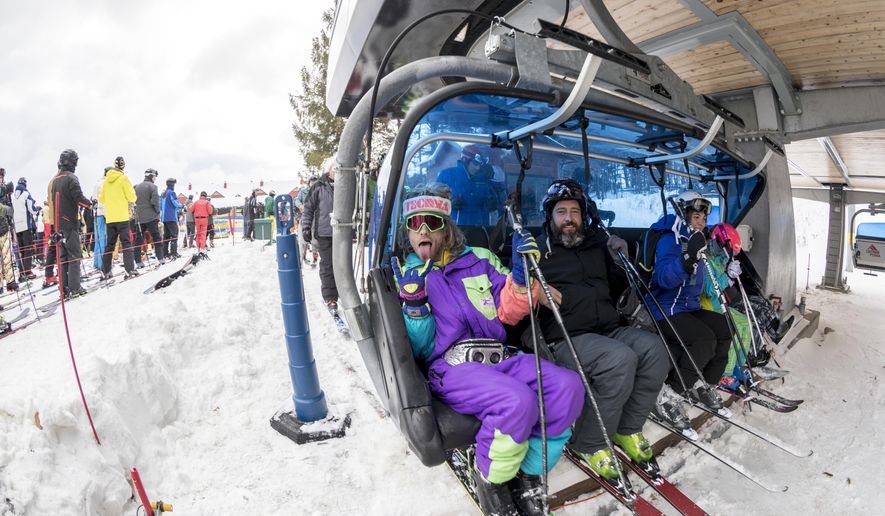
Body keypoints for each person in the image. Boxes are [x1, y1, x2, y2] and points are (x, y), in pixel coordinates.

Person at [393, 183, 583, 516]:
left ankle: (528, 473)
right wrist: (415, 306)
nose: (423, 230)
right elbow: (421, 349)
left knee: (567, 387)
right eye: (415, 223)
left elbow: (508, 311)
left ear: (446, 227)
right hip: (452, 367)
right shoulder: (408, 275)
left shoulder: (479, 260)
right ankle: (491, 480)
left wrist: (523, 282)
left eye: (432, 222)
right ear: (407, 231)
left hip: (499, 355)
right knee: (516, 402)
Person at [534, 179, 670, 478]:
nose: (568, 218)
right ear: (550, 217)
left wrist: (620, 260)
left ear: (583, 216)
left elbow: (623, 290)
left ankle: (626, 428)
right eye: (561, 212)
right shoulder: (535, 250)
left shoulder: (597, 245)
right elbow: (509, 286)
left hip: (608, 328)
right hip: (565, 338)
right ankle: (590, 442)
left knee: (655, 350)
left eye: (574, 211)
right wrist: (531, 284)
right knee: (619, 359)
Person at [646, 190, 732, 417]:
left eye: (704, 219)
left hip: (688, 307)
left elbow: (699, 283)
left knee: (725, 327)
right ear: (684, 215)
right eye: (696, 217)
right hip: (664, 307)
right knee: (704, 338)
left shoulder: (696, 241)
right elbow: (664, 278)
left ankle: (705, 382)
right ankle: (672, 389)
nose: (701, 223)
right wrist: (688, 258)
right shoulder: (670, 239)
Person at [51, 149, 92, 297]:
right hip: (69, 222)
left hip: (58, 224)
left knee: (62, 257)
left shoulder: (55, 179)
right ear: (72, 162)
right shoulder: (71, 178)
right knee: (74, 255)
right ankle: (75, 288)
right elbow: (78, 197)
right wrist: (90, 204)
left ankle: (64, 289)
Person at [435, 145, 505, 225]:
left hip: (481, 231)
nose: (478, 168)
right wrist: (449, 204)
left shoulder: (485, 179)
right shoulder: (447, 175)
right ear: (465, 160)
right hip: (454, 231)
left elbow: (502, 202)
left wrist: (494, 204)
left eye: (480, 164)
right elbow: (433, 202)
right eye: (475, 163)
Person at [301, 159, 338, 311]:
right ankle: (330, 297)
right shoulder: (318, 186)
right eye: (335, 169)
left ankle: (343, 292)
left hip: (342, 232)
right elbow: (308, 208)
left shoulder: (346, 184)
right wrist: (306, 227)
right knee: (328, 264)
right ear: (329, 170)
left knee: (342, 265)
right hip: (324, 232)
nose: (337, 172)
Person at [99, 157, 138, 279]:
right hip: (122, 216)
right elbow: (132, 196)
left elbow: (101, 199)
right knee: (126, 243)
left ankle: (105, 271)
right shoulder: (123, 178)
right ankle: (129, 270)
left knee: (110, 244)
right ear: (123, 167)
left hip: (110, 218)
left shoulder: (106, 181)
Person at [133, 169, 164, 266]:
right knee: (156, 237)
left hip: (139, 217)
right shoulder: (153, 186)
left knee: (138, 239)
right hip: (151, 217)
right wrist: (158, 212)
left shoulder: (136, 187)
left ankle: (138, 261)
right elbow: (155, 202)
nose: (155, 178)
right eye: (155, 176)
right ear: (151, 176)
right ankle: (160, 258)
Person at [12, 177, 40, 281]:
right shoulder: (26, 194)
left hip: (17, 227)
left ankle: (21, 271)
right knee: (28, 249)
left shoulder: (13, 197)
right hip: (25, 225)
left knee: (22, 250)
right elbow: (31, 209)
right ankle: (27, 271)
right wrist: (37, 211)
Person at [295, 176, 319, 265]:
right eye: (312, 181)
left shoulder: (320, 191)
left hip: (316, 218)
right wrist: (300, 205)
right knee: (303, 237)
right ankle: (303, 257)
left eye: (315, 182)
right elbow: (297, 200)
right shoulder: (303, 191)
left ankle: (315, 257)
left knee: (314, 239)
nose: (313, 183)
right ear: (309, 183)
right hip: (305, 217)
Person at [159, 178, 182, 259]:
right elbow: (176, 203)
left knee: (166, 236)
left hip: (164, 218)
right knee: (174, 235)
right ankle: (174, 253)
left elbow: (160, 206)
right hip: (171, 217)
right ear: (172, 184)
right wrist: (182, 206)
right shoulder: (171, 193)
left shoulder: (163, 194)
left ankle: (165, 253)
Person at [0, 184, 17, 293]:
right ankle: (6, 283)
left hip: (3, 228)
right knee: (5, 257)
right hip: (3, 227)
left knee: (7, 256)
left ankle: (10, 281)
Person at [93, 169, 110, 271]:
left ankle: (96, 262)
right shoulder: (106, 183)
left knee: (98, 238)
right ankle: (102, 264)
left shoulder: (97, 182)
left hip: (97, 213)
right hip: (104, 212)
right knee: (104, 239)